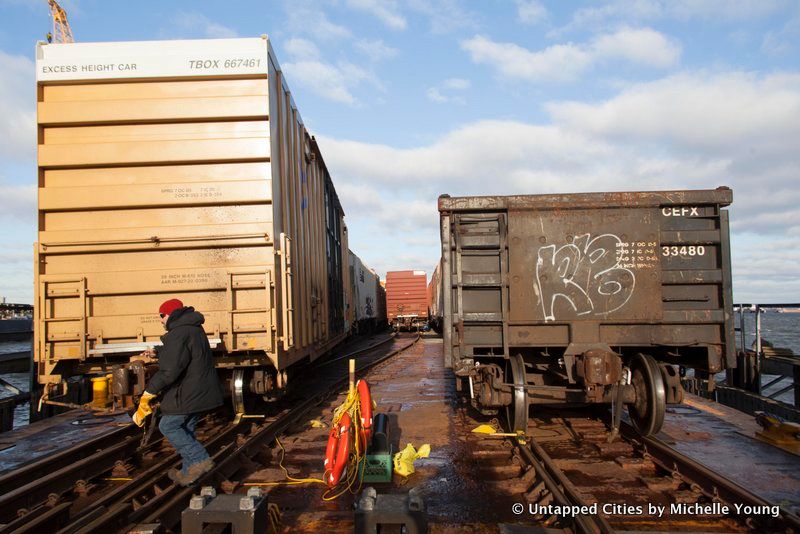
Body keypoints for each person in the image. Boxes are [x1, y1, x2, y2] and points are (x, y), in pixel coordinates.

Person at [132, 298, 223, 486]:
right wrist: (158, 352)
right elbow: (182, 353)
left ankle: (200, 460)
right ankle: (189, 474)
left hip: (188, 392)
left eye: (161, 316)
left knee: (168, 426)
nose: (160, 320)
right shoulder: (192, 328)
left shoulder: (178, 333)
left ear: (170, 315)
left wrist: (149, 392)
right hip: (200, 391)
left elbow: (170, 371)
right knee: (186, 428)